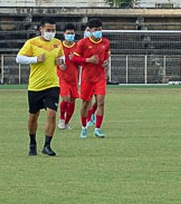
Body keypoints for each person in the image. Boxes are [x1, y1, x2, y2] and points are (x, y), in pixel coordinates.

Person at [16, 17, 65, 156]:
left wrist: (61, 61)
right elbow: (19, 58)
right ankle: (32, 143)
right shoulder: (32, 43)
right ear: (41, 29)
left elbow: (62, 58)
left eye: (53, 30)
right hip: (36, 86)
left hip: (52, 84)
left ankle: (47, 145)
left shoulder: (57, 43)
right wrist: (35, 59)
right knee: (33, 115)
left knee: (52, 114)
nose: (51, 33)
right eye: (48, 30)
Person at [72, 19, 111, 138]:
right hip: (87, 78)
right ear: (89, 30)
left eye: (100, 30)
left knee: (101, 102)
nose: (98, 32)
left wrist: (105, 62)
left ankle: (98, 129)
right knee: (85, 103)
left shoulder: (105, 42)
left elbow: (106, 56)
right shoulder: (82, 43)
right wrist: (87, 60)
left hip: (100, 77)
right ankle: (84, 127)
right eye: (95, 30)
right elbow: (75, 58)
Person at [57, 24, 79, 130]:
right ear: (64, 34)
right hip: (62, 77)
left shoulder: (77, 47)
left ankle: (67, 122)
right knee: (66, 98)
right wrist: (59, 65)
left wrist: (76, 59)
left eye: (72, 33)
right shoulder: (59, 46)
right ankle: (61, 118)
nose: (70, 35)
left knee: (73, 100)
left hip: (74, 77)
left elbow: (81, 62)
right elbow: (54, 59)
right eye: (68, 33)